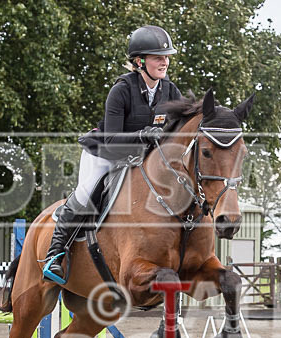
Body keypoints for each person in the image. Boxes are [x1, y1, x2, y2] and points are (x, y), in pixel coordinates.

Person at [43, 25, 183, 283]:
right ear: (140, 61)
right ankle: (55, 254)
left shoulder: (171, 91)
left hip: (142, 160)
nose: (165, 62)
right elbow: (111, 139)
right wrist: (143, 135)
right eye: (158, 57)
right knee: (87, 193)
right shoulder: (121, 90)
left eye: (166, 57)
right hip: (105, 154)